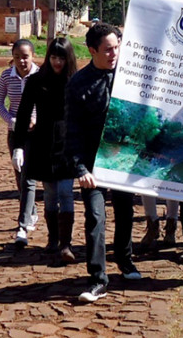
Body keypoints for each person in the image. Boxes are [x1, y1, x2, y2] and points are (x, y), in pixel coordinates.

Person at [66, 22, 141, 303]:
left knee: (125, 213)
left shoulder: (129, 75)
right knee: (96, 218)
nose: (114, 53)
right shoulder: (79, 84)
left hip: (123, 159)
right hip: (92, 165)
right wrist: (80, 168)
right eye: (108, 49)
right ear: (92, 50)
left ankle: (126, 260)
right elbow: (71, 130)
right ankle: (98, 279)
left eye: (117, 48)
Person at [12, 37, 78, 263]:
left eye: (61, 57)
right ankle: (53, 239)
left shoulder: (75, 82)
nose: (57, 62)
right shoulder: (37, 81)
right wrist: (19, 146)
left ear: (68, 58)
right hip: (44, 142)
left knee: (66, 193)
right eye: (53, 57)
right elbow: (23, 114)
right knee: (50, 193)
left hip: (68, 143)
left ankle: (66, 244)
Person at [0, 39, 40, 248]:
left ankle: (23, 224)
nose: (22, 61)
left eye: (25, 56)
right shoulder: (7, 76)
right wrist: (12, 121)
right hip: (15, 132)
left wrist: (36, 119)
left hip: (37, 132)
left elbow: (47, 103)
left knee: (30, 175)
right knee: (20, 174)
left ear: (33, 56)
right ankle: (30, 210)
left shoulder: (40, 76)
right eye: (17, 57)